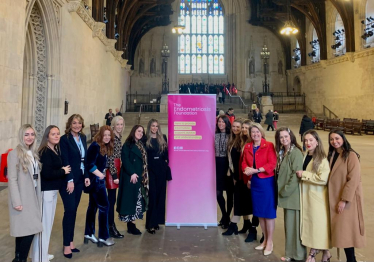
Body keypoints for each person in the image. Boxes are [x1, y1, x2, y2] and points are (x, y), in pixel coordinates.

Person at [32, 125, 71, 262]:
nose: (56, 136)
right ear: (47, 136)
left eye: (58, 134)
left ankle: (42, 253)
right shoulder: (45, 152)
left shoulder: (54, 149)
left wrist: (61, 169)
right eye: (53, 134)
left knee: (48, 225)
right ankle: (39, 258)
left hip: (53, 192)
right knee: (43, 226)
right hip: (46, 192)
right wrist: (63, 171)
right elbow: (46, 174)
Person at [327, 130, 366, 262]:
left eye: (337, 138)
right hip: (334, 197)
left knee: (347, 231)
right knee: (342, 232)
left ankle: (351, 259)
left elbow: (353, 179)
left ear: (343, 139)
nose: (334, 141)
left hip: (347, 200)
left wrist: (344, 200)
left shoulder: (351, 155)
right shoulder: (332, 154)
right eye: (331, 139)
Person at [8, 124, 43, 262]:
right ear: (21, 136)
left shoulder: (33, 153)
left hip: (33, 195)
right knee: (29, 230)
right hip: (22, 198)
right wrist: (16, 201)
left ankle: (17, 258)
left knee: (23, 231)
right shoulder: (14, 153)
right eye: (26, 135)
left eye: (32, 134)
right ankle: (21, 259)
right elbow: (12, 179)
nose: (29, 138)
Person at [241, 123, 277, 256]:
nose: (255, 134)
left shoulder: (268, 145)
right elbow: (244, 162)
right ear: (250, 134)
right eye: (253, 132)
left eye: (257, 132)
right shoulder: (248, 146)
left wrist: (256, 170)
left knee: (268, 214)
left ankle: (270, 242)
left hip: (266, 182)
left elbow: (272, 163)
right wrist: (246, 170)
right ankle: (265, 239)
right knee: (259, 213)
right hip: (255, 182)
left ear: (261, 133)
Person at [296, 130, 331, 262]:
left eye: (311, 140)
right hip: (307, 196)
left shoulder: (321, 158)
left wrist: (304, 174)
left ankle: (312, 254)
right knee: (313, 226)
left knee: (317, 227)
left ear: (317, 142)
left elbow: (323, 179)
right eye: (306, 140)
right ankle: (326, 253)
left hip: (317, 198)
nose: (308, 143)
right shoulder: (306, 155)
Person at [60, 114, 90, 258]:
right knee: (69, 210)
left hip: (80, 179)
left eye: (79, 123)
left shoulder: (82, 137)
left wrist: (86, 177)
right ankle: (66, 245)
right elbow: (65, 160)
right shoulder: (64, 139)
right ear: (69, 124)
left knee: (74, 211)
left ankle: (71, 242)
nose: (77, 125)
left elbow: (85, 159)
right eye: (74, 123)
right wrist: (69, 180)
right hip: (69, 181)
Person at [275, 127, 306, 262]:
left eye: (286, 136)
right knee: (289, 226)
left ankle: (298, 255)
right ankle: (290, 254)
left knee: (295, 227)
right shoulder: (283, 152)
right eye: (281, 137)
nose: (284, 139)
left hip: (292, 194)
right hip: (286, 194)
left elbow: (296, 175)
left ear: (291, 136)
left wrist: (285, 190)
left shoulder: (296, 153)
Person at [84, 126, 115, 247]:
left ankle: (89, 232)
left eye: (109, 135)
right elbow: (89, 163)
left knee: (93, 206)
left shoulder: (104, 146)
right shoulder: (95, 146)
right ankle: (103, 236)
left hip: (96, 180)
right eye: (105, 135)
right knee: (104, 206)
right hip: (96, 182)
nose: (107, 137)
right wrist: (100, 175)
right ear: (100, 135)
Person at [117, 125, 149, 235]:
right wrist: (132, 173)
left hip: (140, 177)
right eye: (138, 131)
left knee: (137, 201)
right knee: (131, 201)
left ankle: (132, 224)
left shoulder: (141, 144)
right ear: (133, 131)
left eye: (142, 132)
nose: (140, 133)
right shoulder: (127, 145)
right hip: (131, 177)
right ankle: (131, 225)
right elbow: (125, 160)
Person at [143, 119, 170, 234]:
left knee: (160, 196)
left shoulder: (163, 137)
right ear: (149, 127)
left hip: (161, 170)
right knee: (152, 197)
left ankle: (157, 221)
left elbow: (166, 153)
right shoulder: (145, 139)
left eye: (156, 126)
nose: (154, 128)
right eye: (153, 126)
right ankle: (150, 224)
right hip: (150, 171)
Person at [106, 116, 125, 239]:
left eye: (121, 124)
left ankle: (110, 226)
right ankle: (110, 227)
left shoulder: (119, 137)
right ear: (113, 125)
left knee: (111, 201)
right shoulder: (112, 138)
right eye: (117, 124)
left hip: (117, 169)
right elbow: (110, 158)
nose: (120, 126)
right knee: (110, 201)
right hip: (112, 172)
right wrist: (114, 175)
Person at [215, 115, 233, 229]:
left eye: (223, 122)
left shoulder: (231, 136)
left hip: (228, 165)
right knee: (218, 193)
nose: (221, 124)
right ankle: (225, 215)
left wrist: (230, 168)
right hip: (217, 164)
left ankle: (226, 218)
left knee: (230, 194)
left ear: (227, 123)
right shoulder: (214, 135)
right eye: (219, 121)